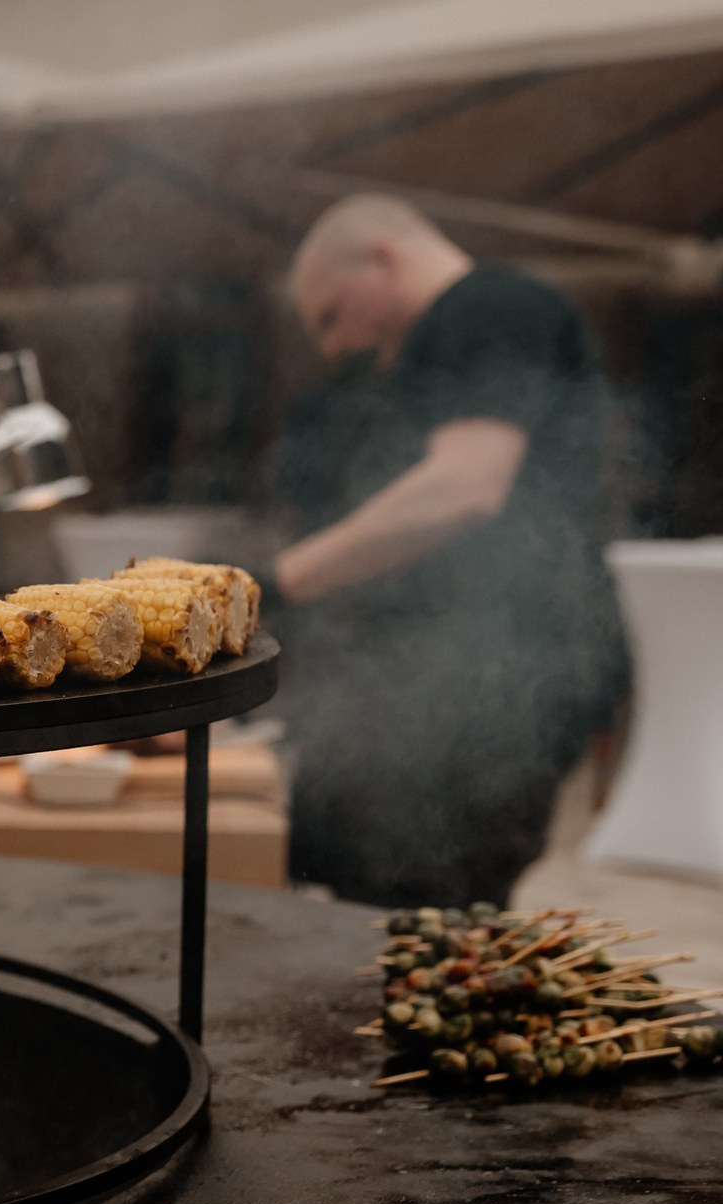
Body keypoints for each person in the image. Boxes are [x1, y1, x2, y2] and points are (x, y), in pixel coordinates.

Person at [268, 194, 629, 907]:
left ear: (382, 258)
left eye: (331, 315)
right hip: (447, 671)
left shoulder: (490, 307)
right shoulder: (435, 343)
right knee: (356, 876)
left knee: (433, 908)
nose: (335, 346)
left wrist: (277, 581)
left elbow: (466, 486)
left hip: (508, 675)